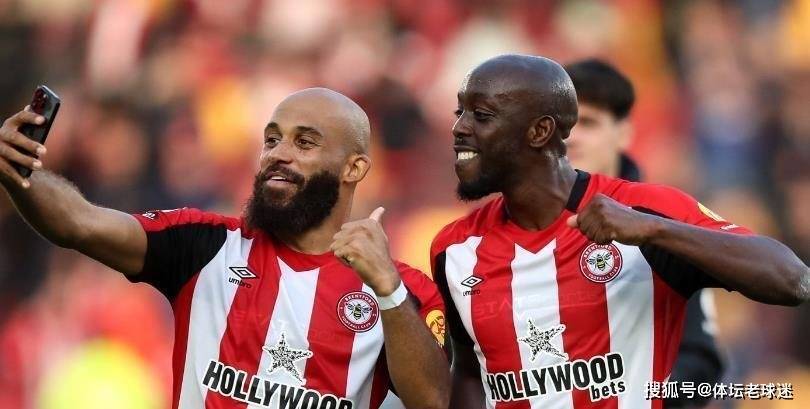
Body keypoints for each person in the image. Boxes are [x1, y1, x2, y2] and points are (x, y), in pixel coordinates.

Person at [0, 88, 450, 409]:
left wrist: (388, 292)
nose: (279, 153)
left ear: (354, 168)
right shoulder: (204, 244)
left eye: (304, 142)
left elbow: (432, 401)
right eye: (272, 139)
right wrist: (18, 168)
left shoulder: (401, 291)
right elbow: (79, 223)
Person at [431, 54, 808, 409]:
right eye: (459, 112)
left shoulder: (646, 212)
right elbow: (470, 372)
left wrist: (654, 229)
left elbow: (793, 280)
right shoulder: (454, 250)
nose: (459, 128)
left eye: (481, 115)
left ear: (541, 131)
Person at [564, 58, 723, 408]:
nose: (572, 138)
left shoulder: (664, 223)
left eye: (588, 123)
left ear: (624, 133)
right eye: (565, 125)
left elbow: (699, 358)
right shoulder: (515, 224)